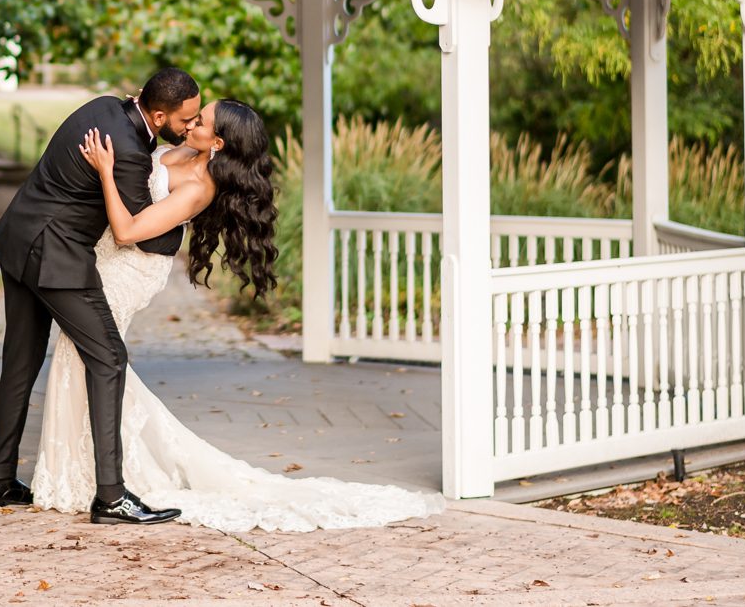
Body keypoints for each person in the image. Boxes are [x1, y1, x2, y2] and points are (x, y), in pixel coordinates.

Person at [30, 99, 447, 533]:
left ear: (218, 141)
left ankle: (100, 481)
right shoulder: (185, 151)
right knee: (82, 358)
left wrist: (103, 172)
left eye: (200, 121)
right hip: (108, 262)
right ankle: (88, 476)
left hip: (129, 270)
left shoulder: (199, 187)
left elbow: (128, 231)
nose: (190, 123)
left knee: (84, 357)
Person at [0, 68, 203, 525]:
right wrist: (176, 231)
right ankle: (111, 496)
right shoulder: (127, 153)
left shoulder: (107, 107)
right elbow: (136, 235)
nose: (189, 127)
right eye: (186, 120)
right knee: (109, 358)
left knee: (20, 362)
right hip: (56, 258)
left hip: (17, 237)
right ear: (158, 114)